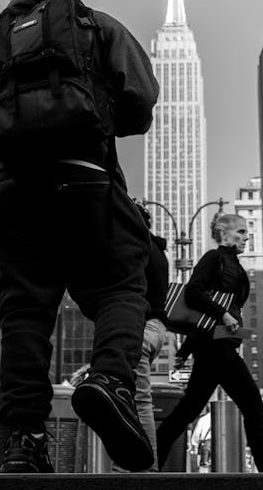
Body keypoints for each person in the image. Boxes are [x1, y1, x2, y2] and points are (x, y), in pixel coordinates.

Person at [0, 0, 159, 473]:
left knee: (24, 316)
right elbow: (142, 98)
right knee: (119, 284)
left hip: (12, 192)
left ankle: (25, 440)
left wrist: (0, 131)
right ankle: (109, 378)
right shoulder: (96, 24)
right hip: (86, 182)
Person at [155, 213, 263, 472]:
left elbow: (205, 318)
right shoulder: (214, 258)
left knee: (187, 411)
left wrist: (188, 348)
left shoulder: (234, 263)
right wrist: (222, 314)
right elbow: (193, 292)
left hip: (216, 344)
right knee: (253, 406)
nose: (246, 237)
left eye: (246, 232)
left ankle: (148, 461)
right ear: (225, 234)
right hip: (217, 347)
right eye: (241, 232)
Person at [112, 201, 168, 472]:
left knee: (136, 402)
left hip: (140, 327)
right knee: (137, 400)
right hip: (156, 328)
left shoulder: (137, 248)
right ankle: (146, 468)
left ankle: (145, 470)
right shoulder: (157, 248)